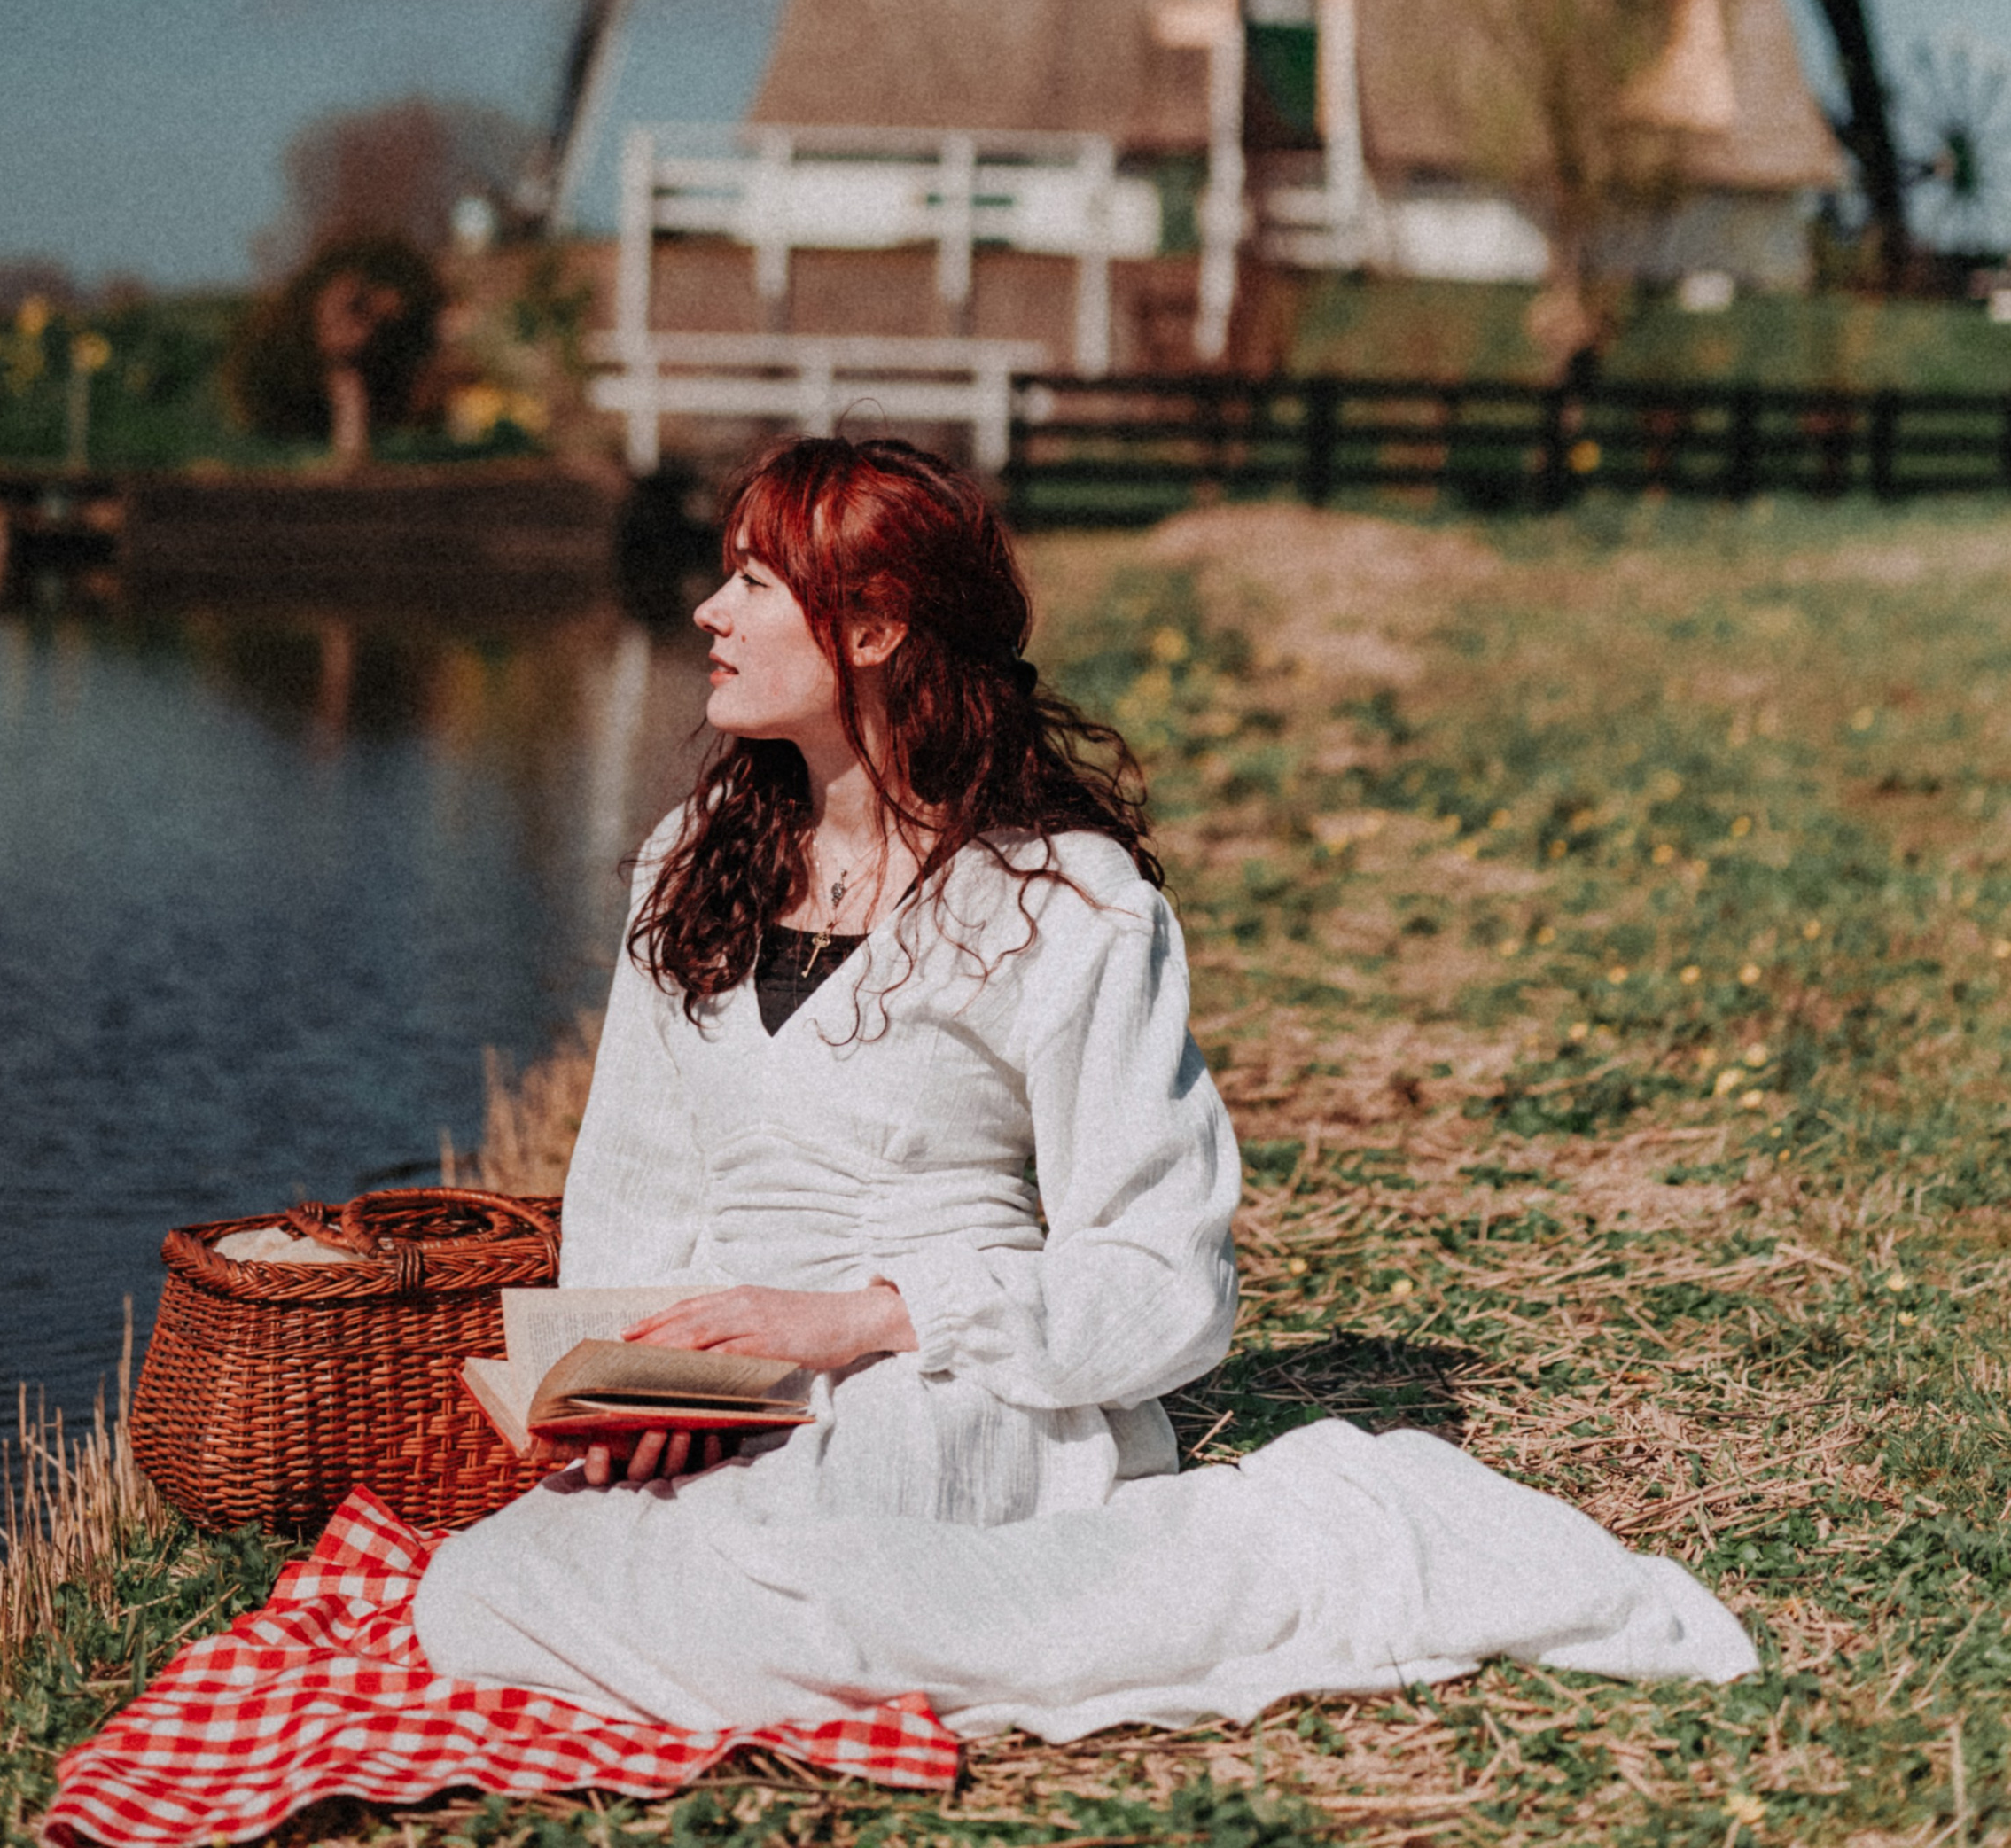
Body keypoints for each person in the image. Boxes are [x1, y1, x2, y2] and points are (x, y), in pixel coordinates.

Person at [416, 436, 1754, 1735]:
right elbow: (636, 1183)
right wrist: (635, 1388)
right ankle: (781, 1595)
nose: (709, 611)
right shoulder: (689, 860)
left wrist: (865, 1321)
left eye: (755, 584)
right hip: (724, 1398)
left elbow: (1167, 1284)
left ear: (874, 629)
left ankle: (1274, 1560)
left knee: (756, 1585)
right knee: (481, 1592)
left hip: (952, 1384)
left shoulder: (1065, 908)